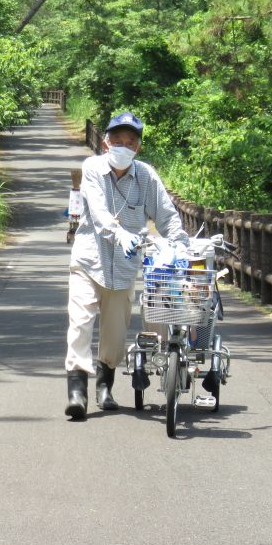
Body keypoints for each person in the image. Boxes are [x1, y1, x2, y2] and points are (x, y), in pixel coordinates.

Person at [64, 111, 187, 420]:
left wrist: (179, 244)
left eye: (130, 142)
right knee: (80, 323)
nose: (123, 146)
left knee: (115, 335)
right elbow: (99, 212)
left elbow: (166, 216)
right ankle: (77, 392)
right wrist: (120, 234)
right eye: (117, 140)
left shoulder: (146, 176)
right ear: (106, 143)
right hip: (89, 259)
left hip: (124, 267)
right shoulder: (93, 168)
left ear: (138, 147)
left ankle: (104, 386)